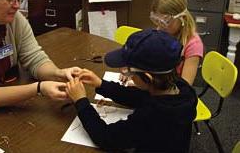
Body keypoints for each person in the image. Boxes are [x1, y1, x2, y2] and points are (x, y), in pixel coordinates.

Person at [66, 29, 198, 152]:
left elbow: (106, 137)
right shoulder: (181, 88)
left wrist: (81, 101)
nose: (127, 74)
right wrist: (101, 84)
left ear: (147, 77)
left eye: (129, 72)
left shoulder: (152, 115)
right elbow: (139, 97)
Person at [149, 0, 204, 85]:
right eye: (157, 21)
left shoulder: (193, 44)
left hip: (174, 93)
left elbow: (185, 87)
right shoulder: (162, 31)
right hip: (157, 86)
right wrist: (134, 71)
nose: (160, 27)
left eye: (165, 22)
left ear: (181, 18)